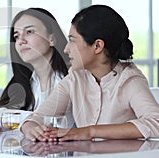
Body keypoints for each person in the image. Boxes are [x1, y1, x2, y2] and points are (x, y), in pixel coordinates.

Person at [21, 5, 159, 142]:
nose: (66, 49)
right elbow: (38, 117)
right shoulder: (75, 78)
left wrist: (89, 131)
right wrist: (31, 127)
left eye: (72, 41)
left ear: (97, 46)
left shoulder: (129, 80)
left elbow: (156, 123)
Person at [0, 8, 69, 119]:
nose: (20, 41)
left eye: (29, 32)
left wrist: (20, 118)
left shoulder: (72, 78)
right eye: (16, 36)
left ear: (52, 39)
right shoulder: (21, 82)